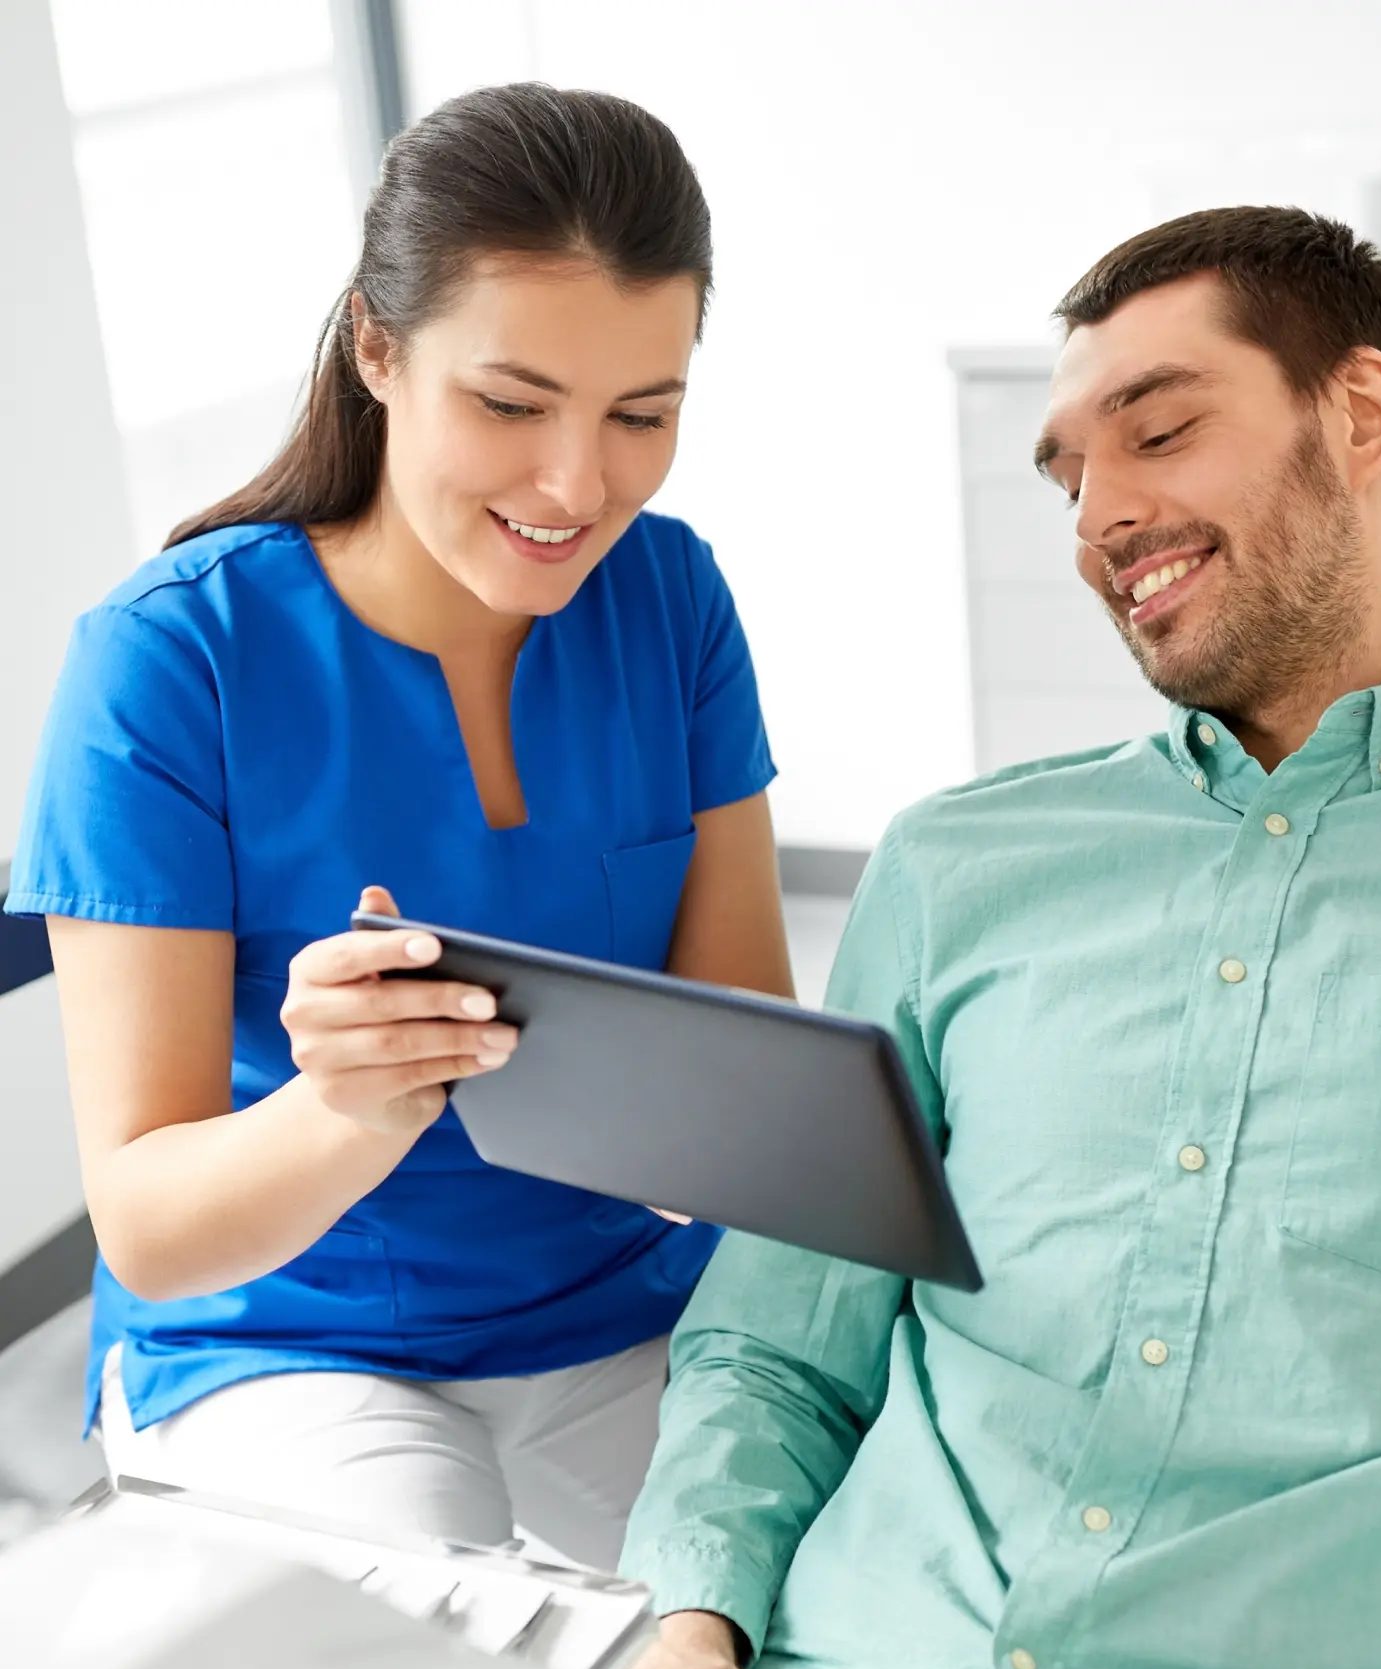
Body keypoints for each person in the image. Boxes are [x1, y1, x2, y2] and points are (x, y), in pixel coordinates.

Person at [618, 208, 1381, 1669]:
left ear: (1363, 413)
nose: (1095, 520)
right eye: (1067, 475)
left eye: (1160, 432)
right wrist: (688, 1624)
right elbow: (774, 1347)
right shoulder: (952, 866)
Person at [3, 84, 792, 1571]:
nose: (578, 485)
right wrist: (348, 1107)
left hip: (620, 1305)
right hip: (281, 1337)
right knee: (427, 1631)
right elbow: (152, 1222)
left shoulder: (670, 598)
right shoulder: (173, 659)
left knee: (814, 1609)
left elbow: (743, 1047)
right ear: (377, 347)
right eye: (509, 404)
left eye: (643, 414)